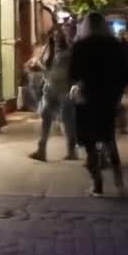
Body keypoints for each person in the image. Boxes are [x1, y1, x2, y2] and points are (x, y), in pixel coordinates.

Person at [69, 12, 128, 197]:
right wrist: (118, 91)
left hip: (86, 97)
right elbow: (126, 73)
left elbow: (73, 73)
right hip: (108, 97)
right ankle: (119, 181)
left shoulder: (80, 45)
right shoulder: (114, 45)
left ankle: (97, 183)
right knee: (108, 137)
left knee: (88, 141)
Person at [28, 27, 77, 162]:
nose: (56, 39)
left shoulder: (67, 54)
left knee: (67, 122)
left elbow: (60, 73)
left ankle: (71, 151)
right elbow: (50, 72)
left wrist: (42, 68)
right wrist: (39, 66)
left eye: (58, 37)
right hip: (51, 91)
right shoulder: (51, 53)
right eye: (54, 37)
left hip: (64, 91)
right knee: (47, 118)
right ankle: (42, 149)